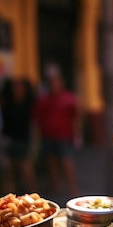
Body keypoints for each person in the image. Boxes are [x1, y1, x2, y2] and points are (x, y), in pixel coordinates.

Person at [33, 68, 80, 197]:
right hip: (48, 136)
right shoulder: (43, 100)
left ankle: (73, 190)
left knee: (66, 162)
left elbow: (75, 118)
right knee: (51, 164)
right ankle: (56, 190)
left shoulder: (68, 98)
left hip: (63, 137)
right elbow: (37, 119)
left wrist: (76, 135)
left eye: (56, 81)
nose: (54, 85)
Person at [0, 77, 37, 193]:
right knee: (9, 173)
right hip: (9, 142)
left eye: (20, 89)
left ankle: (35, 199)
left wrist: (33, 146)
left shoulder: (29, 106)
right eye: (15, 89)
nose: (17, 92)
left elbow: (34, 126)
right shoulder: (6, 106)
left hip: (23, 142)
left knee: (27, 173)